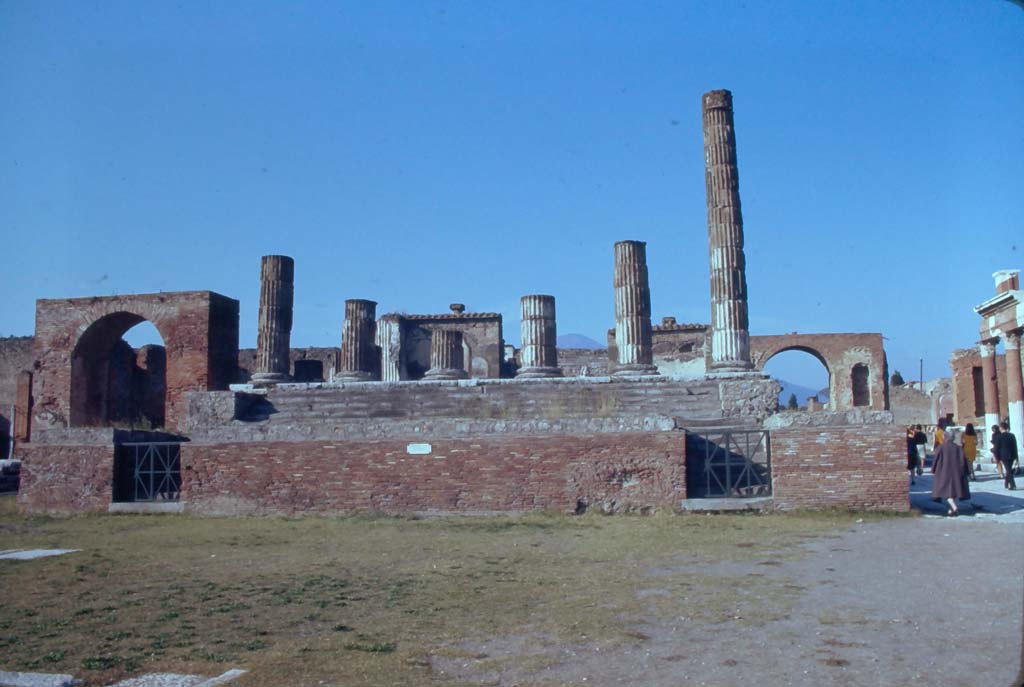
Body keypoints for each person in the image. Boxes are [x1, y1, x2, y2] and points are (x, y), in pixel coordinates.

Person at [931, 427, 970, 516]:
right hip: (957, 472)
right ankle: (951, 509)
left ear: (945, 437)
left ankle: (954, 508)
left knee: (946, 492)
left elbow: (936, 460)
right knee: (953, 491)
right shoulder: (959, 448)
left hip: (944, 472)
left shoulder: (941, 448)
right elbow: (964, 460)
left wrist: (933, 469)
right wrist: (966, 471)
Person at [994, 421, 1018, 490]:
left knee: (1008, 470)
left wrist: (997, 457)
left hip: (1003, 455)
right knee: (1009, 469)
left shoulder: (999, 437)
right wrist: (1016, 456)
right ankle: (1006, 483)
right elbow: (1015, 446)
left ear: (1001, 428)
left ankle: (1012, 485)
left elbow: (996, 448)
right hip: (1012, 454)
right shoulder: (1012, 435)